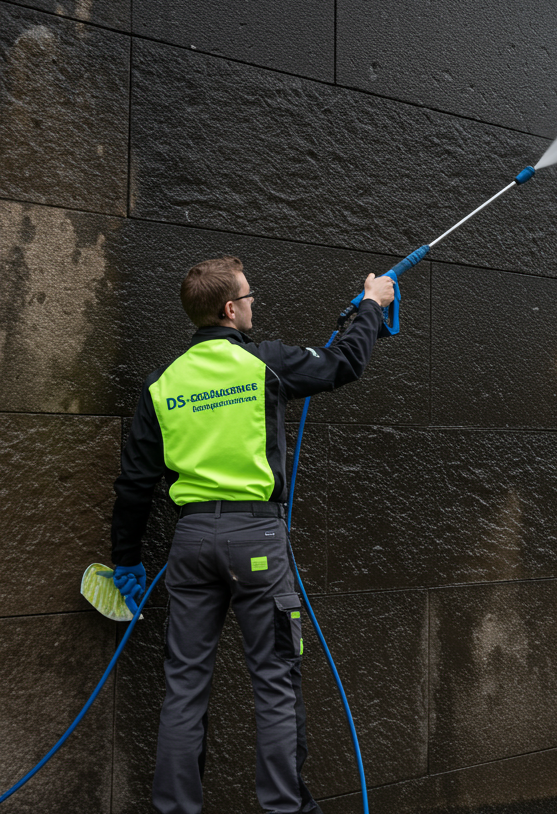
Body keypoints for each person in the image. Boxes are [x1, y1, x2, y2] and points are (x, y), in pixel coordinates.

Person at [110, 255, 394, 814]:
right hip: (256, 540)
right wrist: (371, 307)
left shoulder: (163, 384)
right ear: (230, 308)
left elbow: (134, 485)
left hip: (190, 545)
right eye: (249, 296)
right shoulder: (263, 363)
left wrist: (127, 561)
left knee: (184, 688)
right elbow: (341, 365)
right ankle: (285, 809)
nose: (253, 303)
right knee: (274, 679)